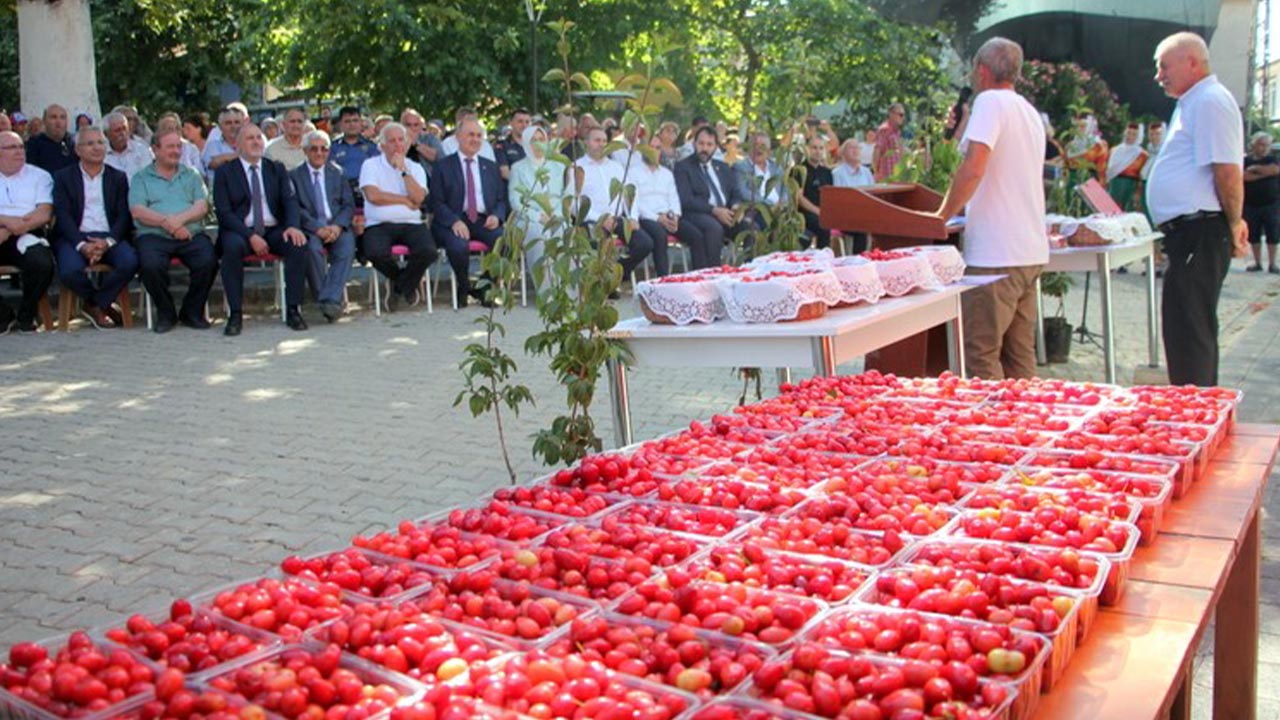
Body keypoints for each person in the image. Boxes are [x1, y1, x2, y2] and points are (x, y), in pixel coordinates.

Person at [932, 37, 1048, 380]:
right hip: (1028, 249)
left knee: (979, 354)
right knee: (1019, 356)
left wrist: (941, 214)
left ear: (982, 71)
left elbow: (974, 166)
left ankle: (990, 430)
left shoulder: (989, 103)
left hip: (995, 254)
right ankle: (1028, 425)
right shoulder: (1028, 110)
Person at [1146, 32, 1245, 386]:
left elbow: (1227, 170)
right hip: (1188, 232)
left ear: (1192, 61)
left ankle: (1198, 412)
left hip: (1198, 231)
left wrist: (1234, 223)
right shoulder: (1193, 102)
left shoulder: (1210, 101)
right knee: (1184, 328)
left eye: (1164, 66)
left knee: (1190, 331)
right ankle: (1196, 407)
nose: (1159, 76)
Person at [212, 123, 310, 335]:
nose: (256, 141)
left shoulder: (276, 168)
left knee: (297, 244)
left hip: (273, 228)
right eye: (250, 138)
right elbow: (224, 213)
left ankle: (293, 309)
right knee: (231, 248)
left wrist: (293, 226)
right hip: (239, 230)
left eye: (259, 137)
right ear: (238, 145)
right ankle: (235, 314)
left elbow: (290, 201)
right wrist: (250, 236)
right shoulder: (225, 173)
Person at [128, 128, 217, 333]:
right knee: (150, 265)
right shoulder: (141, 178)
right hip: (153, 235)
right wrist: (168, 224)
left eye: (178, 146)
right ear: (155, 150)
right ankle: (166, 313)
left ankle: (191, 311)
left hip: (190, 233)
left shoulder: (191, 175)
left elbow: (202, 206)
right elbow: (138, 211)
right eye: (170, 146)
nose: (176, 151)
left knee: (208, 260)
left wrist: (178, 222)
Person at [52, 126, 138, 329]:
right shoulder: (63, 177)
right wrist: (82, 245)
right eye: (90, 143)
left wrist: (107, 242)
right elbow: (62, 216)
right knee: (69, 271)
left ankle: (95, 304)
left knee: (130, 261)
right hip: (75, 236)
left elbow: (124, 215)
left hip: (108, 236)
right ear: (77, 150)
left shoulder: (117, 177)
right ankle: (101, 304)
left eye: (100, 143)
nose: (96, 148)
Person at [430, 118, 507, 306]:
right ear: (458, 137)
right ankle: (463, 286)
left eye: (479, 135)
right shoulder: (443, 166)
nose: (475, 139)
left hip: (482, 219)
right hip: (452, 219)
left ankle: (485, 288)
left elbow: (501, 200)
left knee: (504, 242)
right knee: (458, 246)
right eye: (470, 134)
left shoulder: (490, 166)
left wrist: (496, 215)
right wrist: (454, 221)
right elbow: (436, 202)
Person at [359, 122, 435, 311]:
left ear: (407, 144)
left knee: (428, 251)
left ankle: (399, 287)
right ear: (382, 145)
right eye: (392, 141)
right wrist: (404, 200)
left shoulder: (415, 168)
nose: (397, 145)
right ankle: (406, 284)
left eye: (401, 140)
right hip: (379, 223)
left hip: (411, 223)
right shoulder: (370, 165)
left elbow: (418, 198)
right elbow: (373, 196)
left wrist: (403, 171)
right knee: (374, 252)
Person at [575, 126, 654, 285]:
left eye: (604, 140)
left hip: (618, 219)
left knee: (645, 243)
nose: (602, 144)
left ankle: (615, 278)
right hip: (592, 220)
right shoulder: (577, 167)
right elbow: (573, 202)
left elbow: (630, 194)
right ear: (586, 143)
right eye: (597, 140)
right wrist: (600, 219)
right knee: (598, 246)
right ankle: (599, 285)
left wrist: (632, 217)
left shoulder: (616, 167)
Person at [291, 130, 356, 322]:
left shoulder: (338, 172)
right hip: (311, 229)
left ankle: (328, 300)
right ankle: (329, 300)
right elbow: (296, 208)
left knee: (346, 246)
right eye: (314, 149)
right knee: (311, 249)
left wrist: (337, 226)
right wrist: (317, 228)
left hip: (336, 227)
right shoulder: (294, 176)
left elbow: (348, 205)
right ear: (305, 151)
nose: (319, 153)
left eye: (324, 149)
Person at [0, 130, 56, 333]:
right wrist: (6, 223)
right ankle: (3, 315)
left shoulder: (39, 176)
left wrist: (12, 229)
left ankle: (26, 315)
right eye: (11, 147)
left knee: (42, 264)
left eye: (21, 147)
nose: (19, 151)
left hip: (28, 233)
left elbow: (44, 213)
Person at [632, 138, 705, 276]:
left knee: (696, 235)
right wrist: (658, 218)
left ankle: (699, 277)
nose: (654, 151)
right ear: (642, 150)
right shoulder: (633, 172)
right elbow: (635, 203)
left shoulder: (666, 174)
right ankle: (663, 280)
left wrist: (675, 216)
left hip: (669, 216)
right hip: (647, 218)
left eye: (658, 148)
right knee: (660, 235)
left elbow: (674, 198)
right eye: (650, 147)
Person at [507, 125, 566, 285]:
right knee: (538, 236)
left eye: (541, 140)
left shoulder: (558, 167)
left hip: (556, 217)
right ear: (526, 142)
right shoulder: (518, 168)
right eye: (534, 140)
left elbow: (563, 197)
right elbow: (515, 200)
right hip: (527, 220)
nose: (538, 144)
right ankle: (545, 289)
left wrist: (556, 216)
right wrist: (538, 216)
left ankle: (564, 289)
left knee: (565, 235)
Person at [675, 126, 746, 257]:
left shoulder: (723, 167)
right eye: (701, 143)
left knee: (750, 227)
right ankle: (713, 274)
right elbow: (686, 200)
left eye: (709, 144)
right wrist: (715, 210)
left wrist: (736, 207)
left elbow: (735, 193)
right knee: (714, 228)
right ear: (694, 144)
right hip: (698, 214)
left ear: (715, 147)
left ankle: (751, 272)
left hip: (726, 214)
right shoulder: (683, 167)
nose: (705, 149)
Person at [1243, 133, 1280, 273]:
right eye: (1261, 144)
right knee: (1254, 235)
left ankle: (1272, 264)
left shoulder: (1273, 159)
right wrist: (1266, 173)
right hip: (1251, 204)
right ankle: (1257, 263)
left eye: (1267, 145)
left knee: (1273, 234)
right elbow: (1244, 177)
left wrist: (1255, 170)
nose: (1264, 148)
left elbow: (1275, 170)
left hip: (1271, 203)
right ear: (1254, 145)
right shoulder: (1246, 160)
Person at [734, 132, 787, 213]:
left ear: (769, 150)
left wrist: (782, 203)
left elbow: (785, 190)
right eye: (755, 144)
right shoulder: (740, 167)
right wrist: (768, 204)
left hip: (780, 209)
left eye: (763, 145)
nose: (758, 148)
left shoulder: (776, 167)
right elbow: (743, 192)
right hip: (758, 210)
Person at [798, 134, 834, 250]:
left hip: (824, 213)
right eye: (814, 148)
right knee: (823, 226)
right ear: (807, 149)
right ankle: (821, 259)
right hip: (804, 214)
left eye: (821, 148)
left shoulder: (827, 172)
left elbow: (830, 195)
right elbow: (799, 198)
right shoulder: (799, 170)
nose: (817, 151)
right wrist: (818, 211)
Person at [330, 106, 380, 187]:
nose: (352, 124)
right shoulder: (332, 148)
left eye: (355, 120)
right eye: (347, 121)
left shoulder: (372, 147)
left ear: (361, 123)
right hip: (340, 190)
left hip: (366, 190)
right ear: (340, 124)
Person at [1104, 123, 1148, 212]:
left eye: (1134, 134)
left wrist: (1138, 193)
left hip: (1131, 187)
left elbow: (1142, 175)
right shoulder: (1114, 150)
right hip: (1114, 185)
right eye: (1128, 133)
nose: (1130, 136)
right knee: (1111, 211)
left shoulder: (1142, 155)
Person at [25, 104, 75, 174]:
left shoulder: (74, 142)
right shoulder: (34, 144)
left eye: (62, 117)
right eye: (53, 117)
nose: (58, 121)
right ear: (44, 121)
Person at [103, 111, 153, 180]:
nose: (122, 133)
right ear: (106, 134)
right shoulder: (101, 154)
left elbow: (149, 176)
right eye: (117, 130)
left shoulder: (141, 149)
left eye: (124, 129)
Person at [201, 107, 244, 183]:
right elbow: (214, 164)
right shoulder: (212, 145)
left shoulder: (250, 143)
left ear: (243, 124)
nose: (233, 127)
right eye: (228, 123)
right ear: (220, 127)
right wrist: (240, 155)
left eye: (237, 122)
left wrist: (224, 158)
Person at [1065, 114, 1108, 185]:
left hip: (1089, 180)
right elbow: (1066, 165)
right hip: (1072, 178)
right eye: (1078, 126)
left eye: (1083, 126)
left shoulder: (1099, 145)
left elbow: (1101, 169)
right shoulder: (1071, 145)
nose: (1079, 129)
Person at [872, 103, 906, 181]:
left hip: (896, 176)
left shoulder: (897, 132)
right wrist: (876, 172)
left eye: (903, 115)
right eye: (900, 115)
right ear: (891, 114)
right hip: (886, 176)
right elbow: (877, 151)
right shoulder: (884, 130)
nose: (902, 118)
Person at [495, 108, 532, 178]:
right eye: (520, 121)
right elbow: (504, 173)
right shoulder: (502, 145)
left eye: (527, 122)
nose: (524, 125)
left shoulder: (533, 146)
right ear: (511, 123)